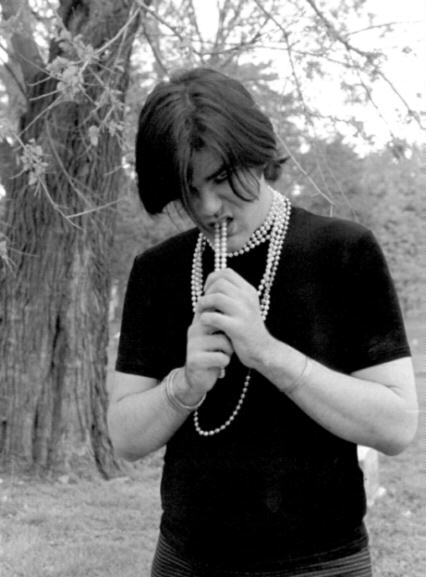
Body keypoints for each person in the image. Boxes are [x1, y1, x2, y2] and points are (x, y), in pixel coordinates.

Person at [107, 67, 418, 577]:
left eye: (221, 179)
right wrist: (186, 384)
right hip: (186, 562)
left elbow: (397, 426)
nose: (209, 207)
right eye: (189, 190)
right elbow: (125, 438)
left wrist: (266, 351)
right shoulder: (158, 270)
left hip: (322, 563)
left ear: (257, 153)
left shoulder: (344, 251)